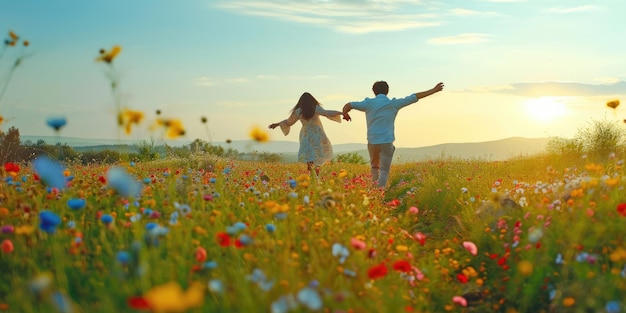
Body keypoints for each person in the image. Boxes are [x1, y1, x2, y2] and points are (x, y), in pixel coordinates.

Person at [342, 81, 444, 188]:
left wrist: (345, 114)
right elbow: (414, 97)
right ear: (387, 91)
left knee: (374, 167)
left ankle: (374, 192)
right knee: (384, 170)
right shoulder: (393, 104)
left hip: (372, 141)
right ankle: (379, 192)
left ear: (373, 91)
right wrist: (433, 90)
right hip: (387, 141)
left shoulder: (368, 103)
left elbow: (348, 105)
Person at [269, 92, 344, 174]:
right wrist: (341, 113)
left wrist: (277, 124)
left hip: (306, 135)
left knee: (309, 156)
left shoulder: (298, 111)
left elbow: (288, 122)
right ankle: (315, 175)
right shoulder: (315, 108)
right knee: (318, 154)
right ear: (312, 100)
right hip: (317, 134)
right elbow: (327, 113)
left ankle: (311, 174)